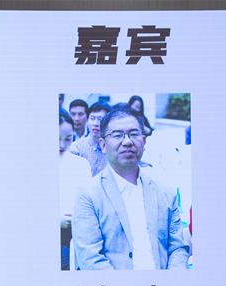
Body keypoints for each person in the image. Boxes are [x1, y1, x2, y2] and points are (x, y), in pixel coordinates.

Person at [72, 104, 190, 270]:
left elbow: (178, 248)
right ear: (103, 145)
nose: (127, 142)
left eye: (134, 134)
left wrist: (171, 280)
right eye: (117, 135)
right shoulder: (88, 195)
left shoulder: (165, 191)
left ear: (144, 141)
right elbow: (90, 259)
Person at [60, 112, 92, 269]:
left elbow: (88, 200)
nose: (61, 145)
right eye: (56, 139)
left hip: (77, 231)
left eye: (68, 139)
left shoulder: (81, 164)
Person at [69, 101, 109, 176]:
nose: (95, 123)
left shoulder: (112, 148)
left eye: (100, 119)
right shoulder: (76, 148)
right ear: (87, 121)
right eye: (92, 118)